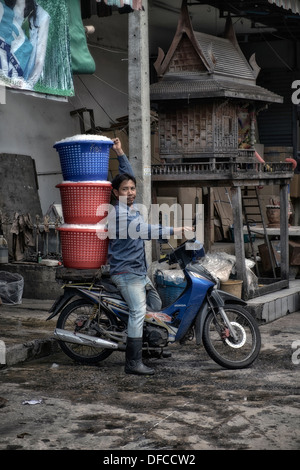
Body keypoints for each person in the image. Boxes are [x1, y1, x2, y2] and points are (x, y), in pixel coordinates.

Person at [107, 138, 193, 375]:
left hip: (138, 272)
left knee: (154, 306)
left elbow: (128, 174)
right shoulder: (120, 215)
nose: (131, 192)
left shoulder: (131, 208)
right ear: (116, 193)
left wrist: (120, 152)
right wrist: (174, 231)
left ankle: (145, 344)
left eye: (132, 188)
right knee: (138, 311)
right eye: (125, 189)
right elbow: (146, 231)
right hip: (126, 273)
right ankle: (132, 363)